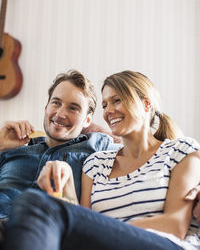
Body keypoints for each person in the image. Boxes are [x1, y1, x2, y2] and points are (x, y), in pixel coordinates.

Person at [2, 70, 200, 250]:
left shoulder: (181, 150)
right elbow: (82, 219)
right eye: (105, 105)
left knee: (37, 204)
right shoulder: (96, 163)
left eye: (117, 100)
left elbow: (176, 225)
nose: (108, 111)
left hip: (167, 244)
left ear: (147, 104)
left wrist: (104, 227)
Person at [0, 70, 120, 220]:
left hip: (44, 231)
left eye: (73, 108)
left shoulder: (97, 146)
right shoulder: (12, 148)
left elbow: (139, 151)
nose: (60, 114)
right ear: (46, 108)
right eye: (56, 103)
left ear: (87, 120)